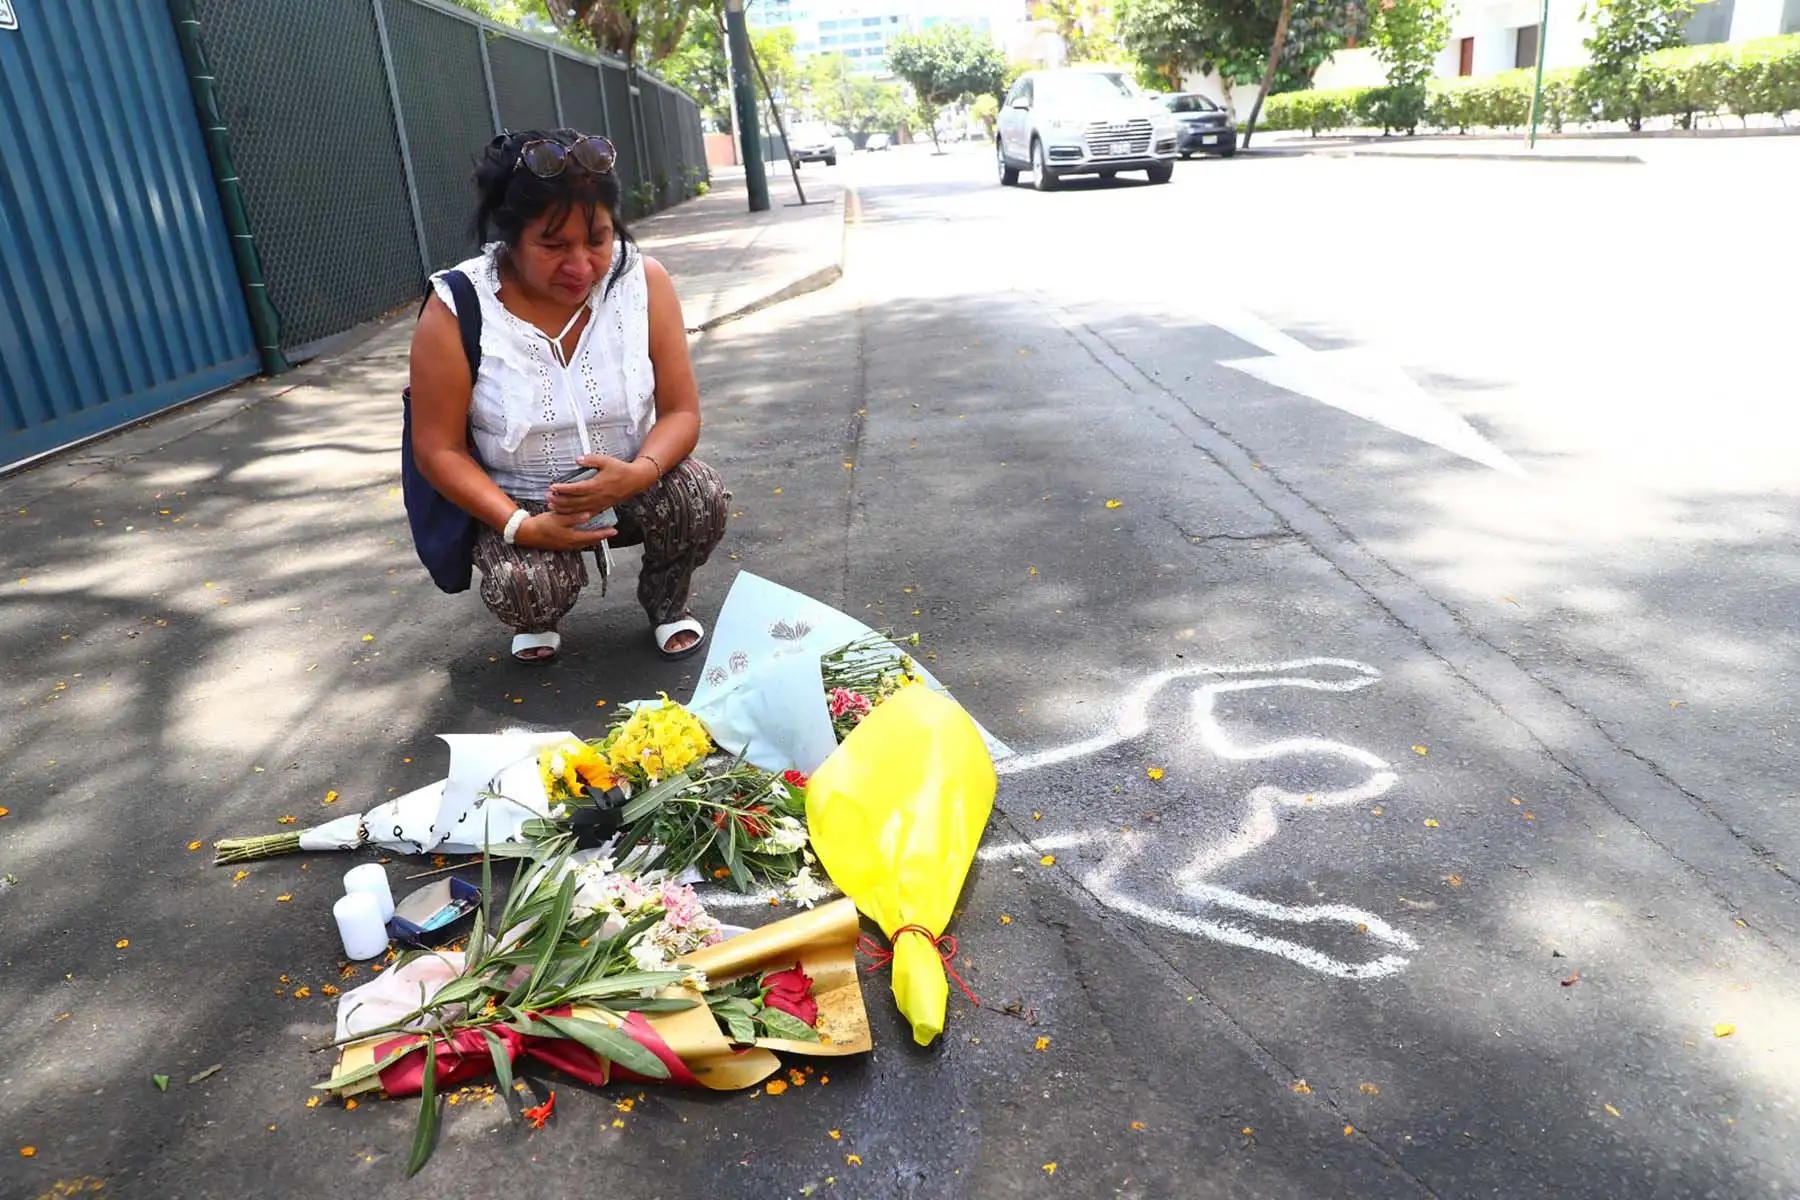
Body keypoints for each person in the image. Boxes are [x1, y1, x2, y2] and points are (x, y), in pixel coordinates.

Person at [409, 129, 727, 663]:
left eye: (597, 240)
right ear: (510, 237)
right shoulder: (456, 306)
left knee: (698, 496)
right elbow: (436, 448)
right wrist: (521, 524)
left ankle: (667, 601)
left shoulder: (642, 282)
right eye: (553, 246)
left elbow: (682, 411)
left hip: (631, 482)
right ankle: (541, 608)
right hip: (522, 499)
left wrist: (641, 471)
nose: (580, 265)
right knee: (523, 588)